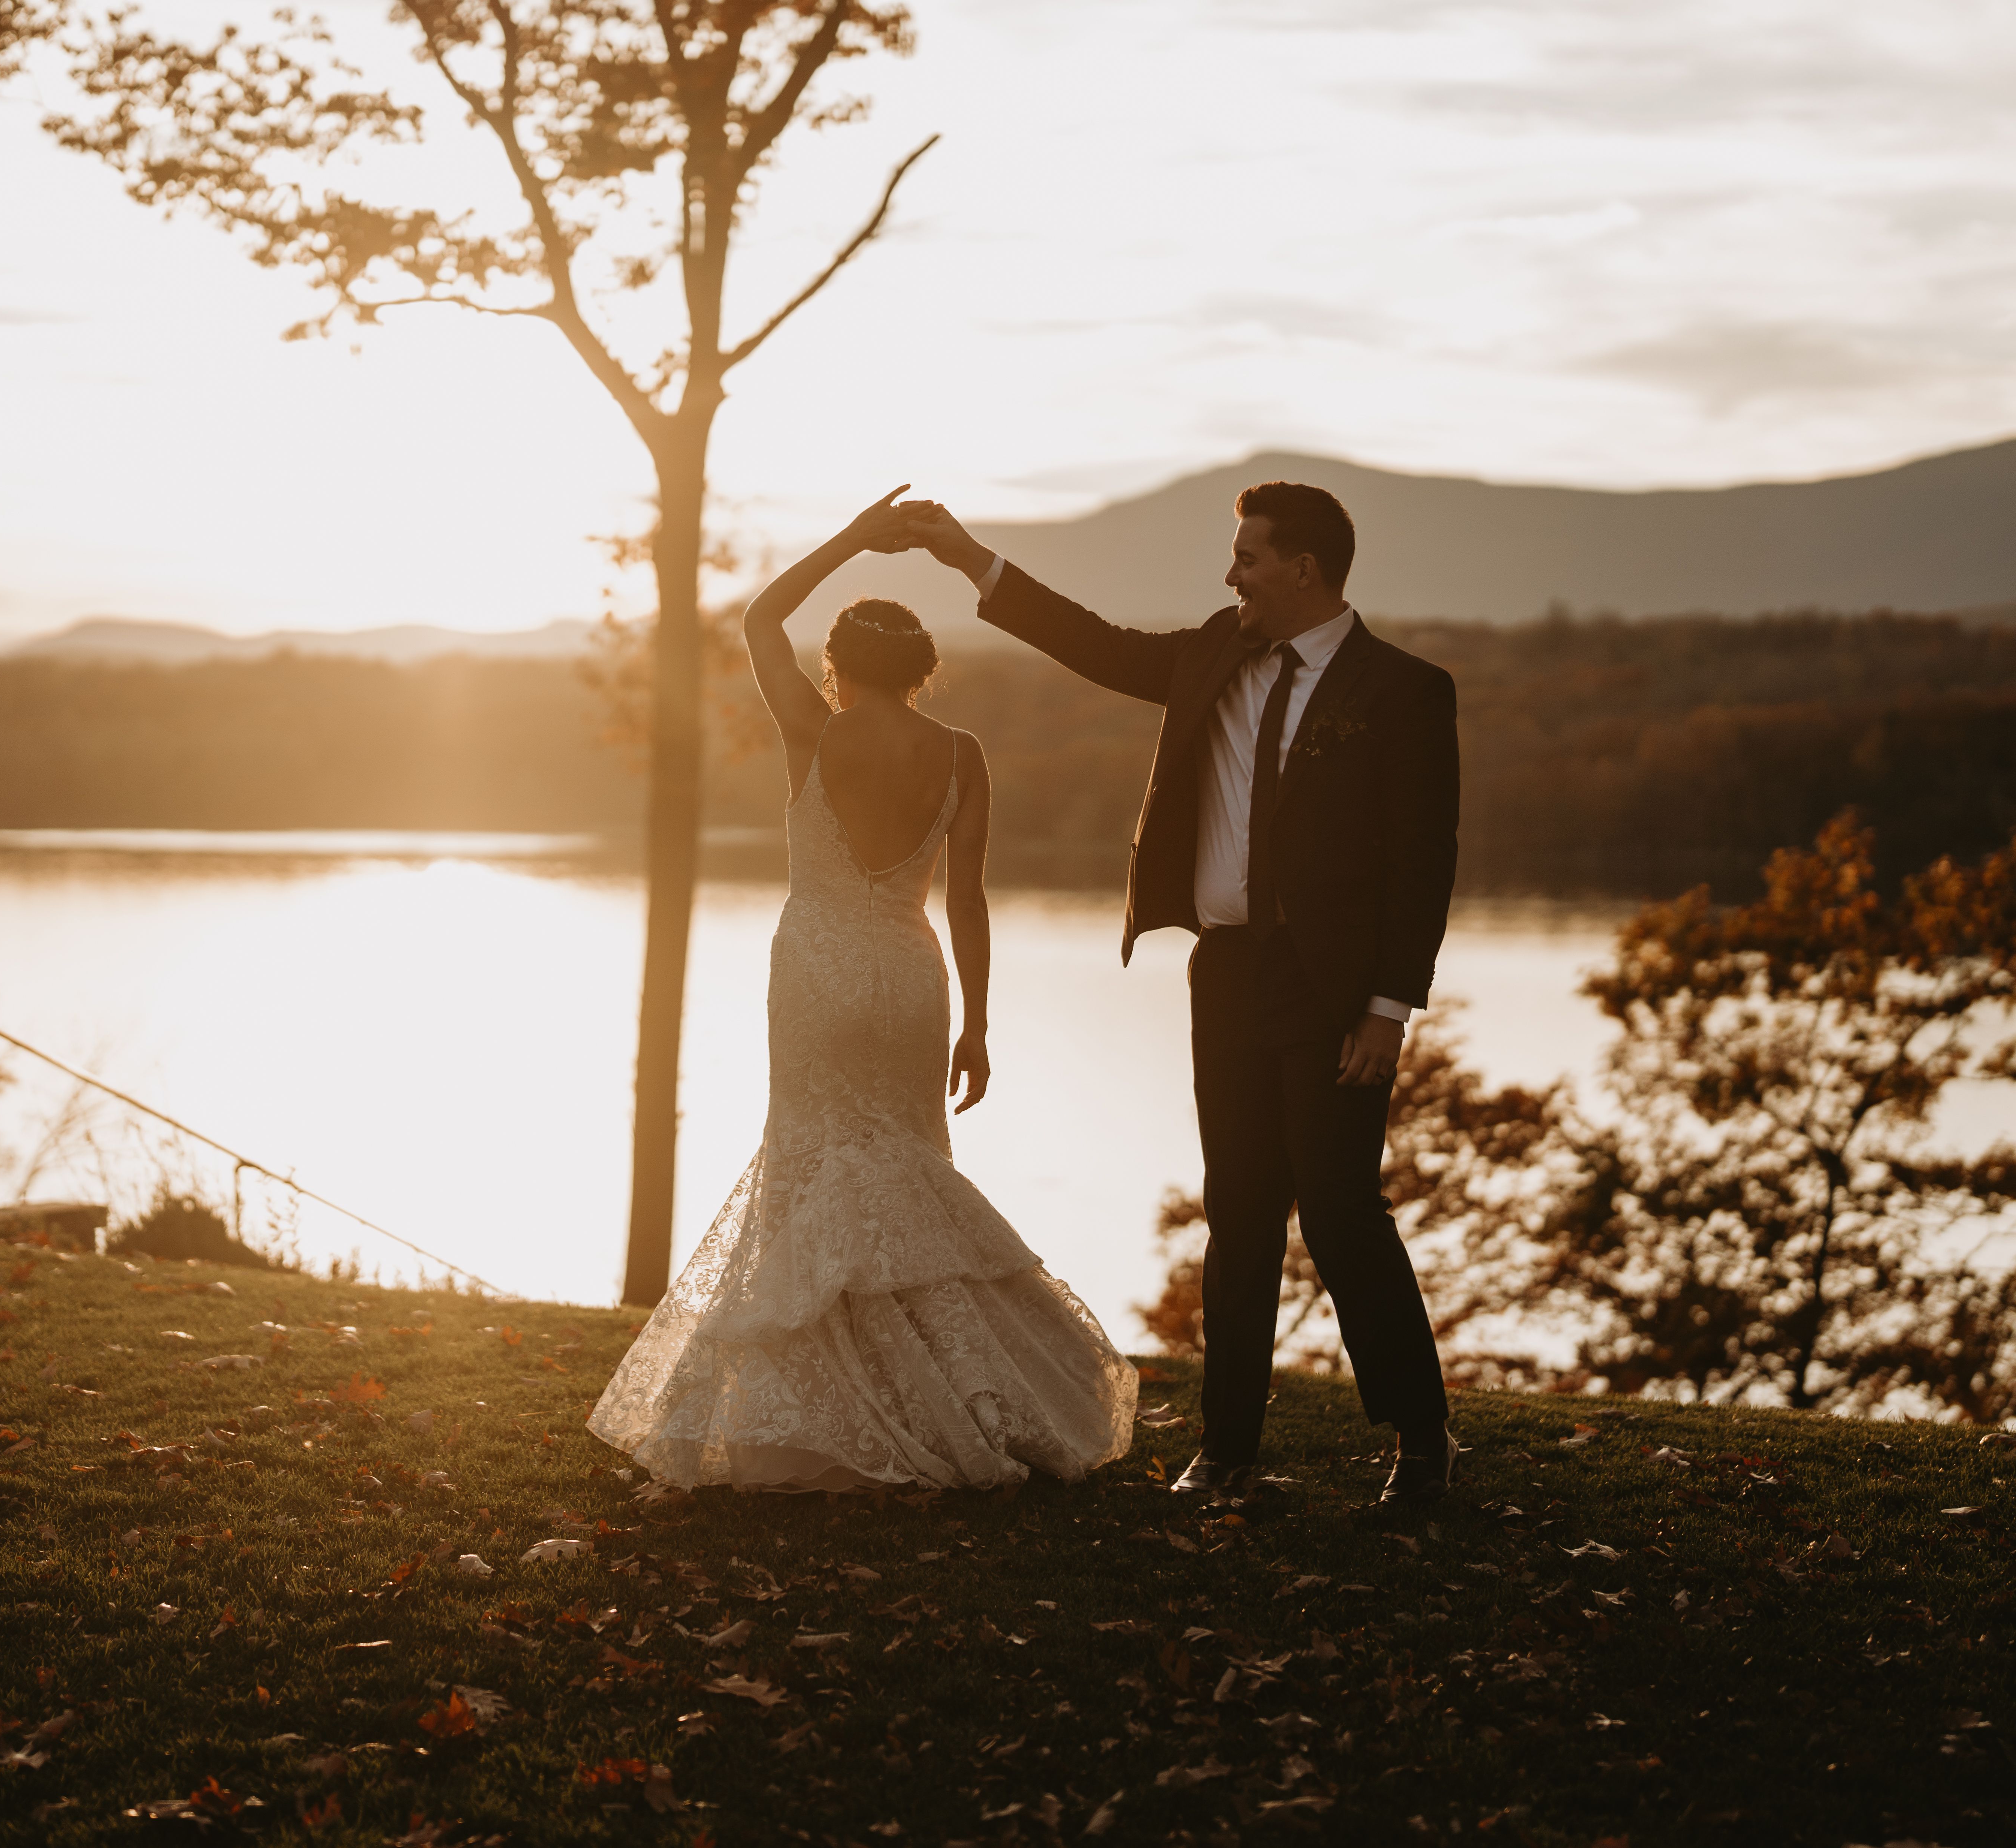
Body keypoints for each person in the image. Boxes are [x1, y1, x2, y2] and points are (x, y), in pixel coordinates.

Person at [902, 481, 1463, 1507]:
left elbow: (1423, 862)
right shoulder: (1212, 653)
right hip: (1229, 974)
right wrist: (966, 558)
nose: (1229, 573)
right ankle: (1229, 1450)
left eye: (1246, 557)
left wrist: (1388, 1009)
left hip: (1334, 990)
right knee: (1239, 1211)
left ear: (1303, 569)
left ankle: (1420, 1440)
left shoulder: (1402, 692)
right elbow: (1094, 643)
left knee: (1340, 1212)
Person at [587, 487, 1139, 1490]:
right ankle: (951, 1388)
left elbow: (758, 619)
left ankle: (833, 1410)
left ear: (836, 667)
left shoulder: (810, 728)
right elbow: (965, 901)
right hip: (910, 976)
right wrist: (978, 1024)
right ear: (925, 674)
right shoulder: (963, 756)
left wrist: (851, 536)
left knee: (810, 1164)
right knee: (906, 1169)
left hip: (817, 969)